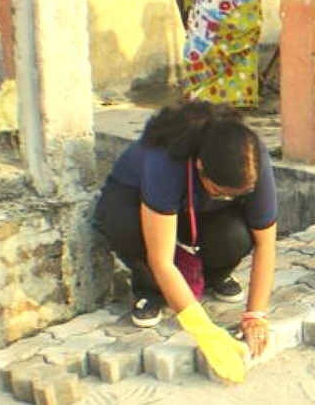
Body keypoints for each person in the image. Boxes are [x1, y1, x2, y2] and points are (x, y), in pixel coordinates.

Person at [95, 101, 277, 383]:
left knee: (235, 235)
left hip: (194, 207)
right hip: (136, 202)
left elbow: (266, 242)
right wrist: (204, 329)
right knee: (125, 226)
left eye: (235, 194)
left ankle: (213, 275)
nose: (228, 197)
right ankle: (150, 289)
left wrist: (256, 314)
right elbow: (162, 260)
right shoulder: (165, 160)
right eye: (221, 191)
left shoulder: (252, 159)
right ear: (201, 166)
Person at [173, 0, 265, 108]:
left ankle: (203, 99)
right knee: (242, 55)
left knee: (200, 49)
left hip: (214, 19)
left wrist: (185, 16)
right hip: (247, 16)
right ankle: (241, 98)